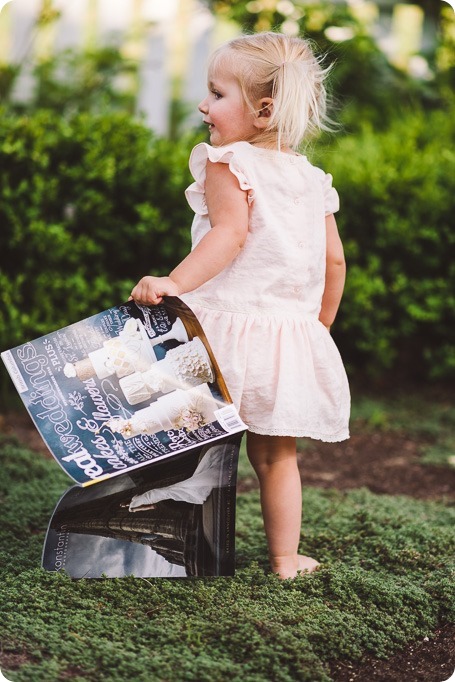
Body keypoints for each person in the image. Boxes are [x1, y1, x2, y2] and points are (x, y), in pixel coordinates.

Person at [130, 31, 350, 579]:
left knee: (177, 433)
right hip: (285, 339)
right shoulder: (310, 178)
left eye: (217, 93)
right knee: (277, 457)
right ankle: (284, 559)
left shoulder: (229, 162)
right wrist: (314, 330)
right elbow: (335, 264)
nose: (204, 105)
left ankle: (161, 539)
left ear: (263, 109)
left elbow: (228, 235)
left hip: (222, 333)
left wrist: (174, 282)